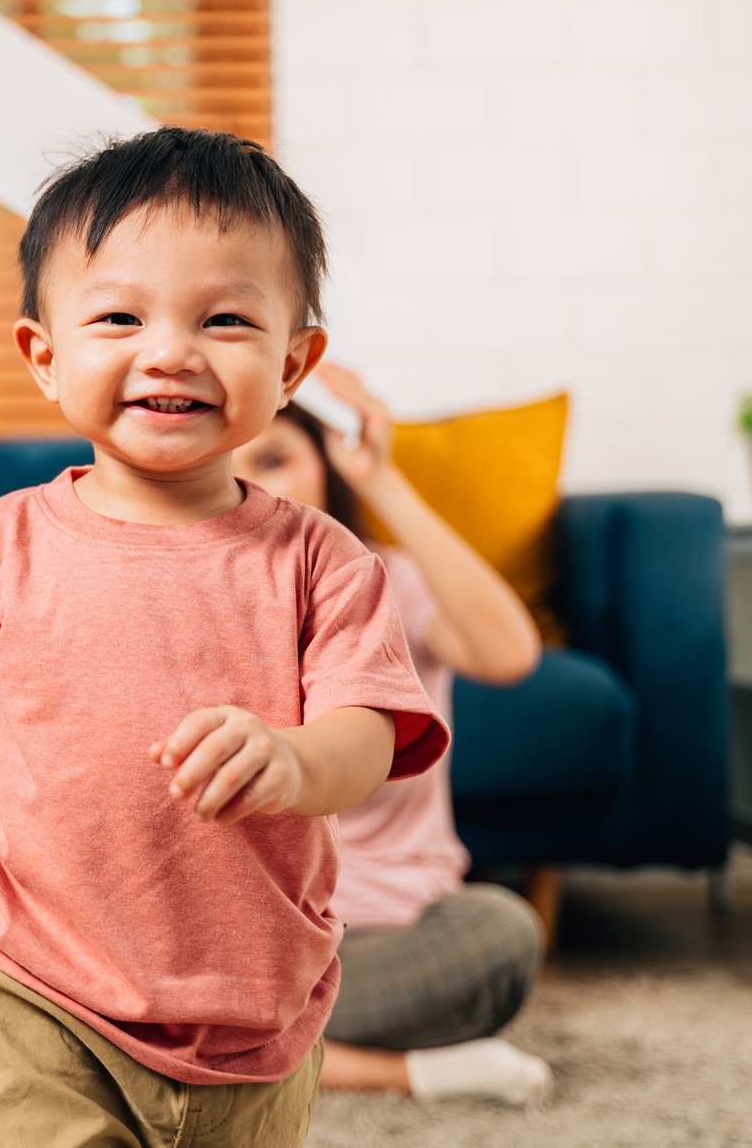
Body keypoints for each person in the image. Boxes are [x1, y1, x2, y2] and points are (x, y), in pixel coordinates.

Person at [0, 128, 448, 1148]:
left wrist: (289, 755)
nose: (170, 350)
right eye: (119, 316)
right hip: (30, 974)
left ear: (293, 362)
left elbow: (367, 741)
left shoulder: (325, 562)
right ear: (43, 356)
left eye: (223, 317)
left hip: (253, 995)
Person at [235, 373, 552, 1104]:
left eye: (276, 457)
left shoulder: (382, 582)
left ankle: (188, 1044)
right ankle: (406, 1072)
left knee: (499, 936)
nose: (250, 481)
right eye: (229, 462)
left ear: (324, 466)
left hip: (383, 935)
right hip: (250, 942)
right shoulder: (178, 603)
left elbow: (508, 653)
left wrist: (385, 485)